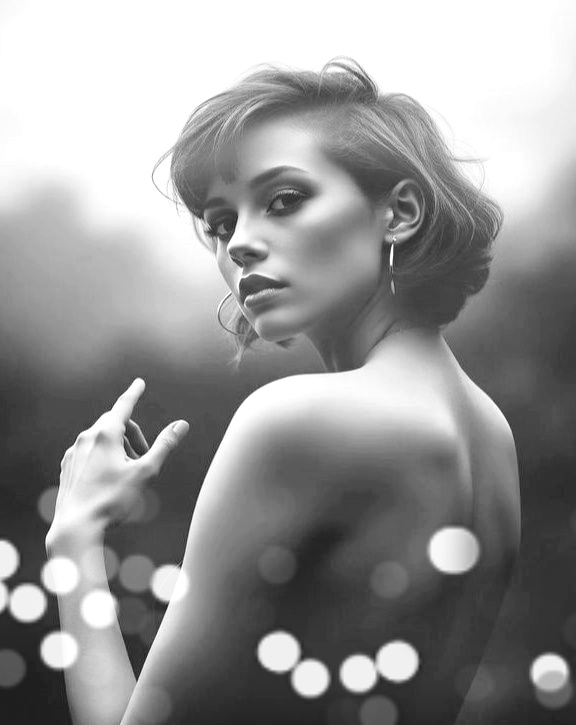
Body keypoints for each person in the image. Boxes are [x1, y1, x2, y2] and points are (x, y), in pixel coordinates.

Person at [46, 58, 521, 725]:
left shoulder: (293, 423)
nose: (239, 244)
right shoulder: (491, 434)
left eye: (285, 199)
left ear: (400, 212)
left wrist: (75, 535)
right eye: (220, 223)